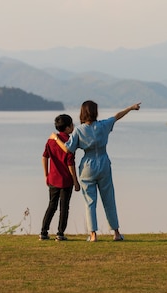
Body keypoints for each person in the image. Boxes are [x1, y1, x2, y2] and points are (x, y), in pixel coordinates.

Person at [50, 101, 140, 242]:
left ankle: (93, 235)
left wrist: (56, 138)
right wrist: (131, 108)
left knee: (90, 202)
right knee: (109, 199)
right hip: (104, 164)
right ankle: (116, 233)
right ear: (95, 112)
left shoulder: (79, 130)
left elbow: (68, 149)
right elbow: (117, 116)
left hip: (87, 167)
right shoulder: (103, 125)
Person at [40, 114, 80, 241]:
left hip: (53, 179)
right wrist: (75, 181)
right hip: (66, 181)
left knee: (51, 205)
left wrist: (46, 174)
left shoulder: (51, 140)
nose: (73, 126)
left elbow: (45, 157)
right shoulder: (69, 142)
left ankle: (43, 232)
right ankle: (60, 233)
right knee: (64, 207)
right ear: (68, 128)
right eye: (72, 124)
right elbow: (70, 164)